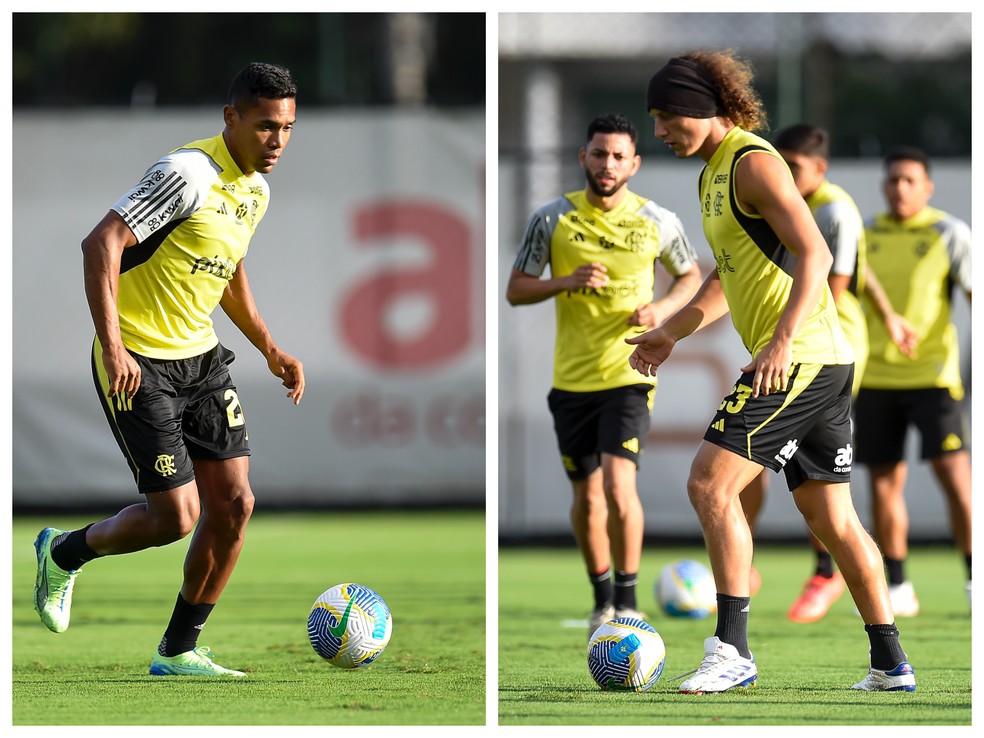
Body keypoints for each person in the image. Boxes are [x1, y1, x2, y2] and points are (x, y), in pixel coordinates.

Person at [628, 50, 915, 693]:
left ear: (703, 110)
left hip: (804, 358)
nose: (661, 132)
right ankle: (891, 663)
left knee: (709, 483)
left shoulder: (753, 163)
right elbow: (726, 279)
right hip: (821, 360)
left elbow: (815, 250)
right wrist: (670, 333)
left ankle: (732, 651)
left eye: (668, 117)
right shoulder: (711, 175)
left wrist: (781, 341)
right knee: (834, 520)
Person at [33, 62, 305, 677]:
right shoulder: (187, 173)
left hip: (202, 361)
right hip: (140, 362)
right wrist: (114, 346)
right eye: (265, 126)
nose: (278, 141)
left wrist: (268, 346)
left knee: (234, 507)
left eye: (287, 128)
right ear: (230, 118)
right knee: (175, 520)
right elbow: (100, 243)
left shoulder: (256, 189)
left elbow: (227, 266)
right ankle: (64, 551)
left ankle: (178, 651)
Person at [506, 113, 702, 637]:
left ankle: (629, 601)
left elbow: (691, 276)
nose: (608, 164)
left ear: (634, 164)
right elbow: (516, 289)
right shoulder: (551, 219)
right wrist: (564, 280)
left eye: (619, 156)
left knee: (619, 486)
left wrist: (661, 311)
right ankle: (601, 599)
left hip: (629, 373)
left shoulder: (657, 219)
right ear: (583, 158)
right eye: (599, 154)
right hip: (571, 381)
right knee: (587, 497)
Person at [739, 123, 919, 624]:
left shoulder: (833, 210)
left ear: (820, 168)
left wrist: (783, 341)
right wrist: (889, 314)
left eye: (794, 166)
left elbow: (833, 289)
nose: (785, 173)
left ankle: (824, 570)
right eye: (782, 163)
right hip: (790, 347)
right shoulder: (780, 201)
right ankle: (752, 555)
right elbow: (866, 271)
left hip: (822, 351)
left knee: (777, 461)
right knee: (749, 459)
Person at [856, 145, 972, 617]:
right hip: (875, 377)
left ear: (927, 187)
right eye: (893, 180)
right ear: (884, 186)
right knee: (884, 483)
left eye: (910, 180)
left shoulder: (950, 232)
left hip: (933, 377)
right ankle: (899, 585)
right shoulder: (865, 234)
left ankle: (973, 577)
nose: (900, 188)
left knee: (956, 478)